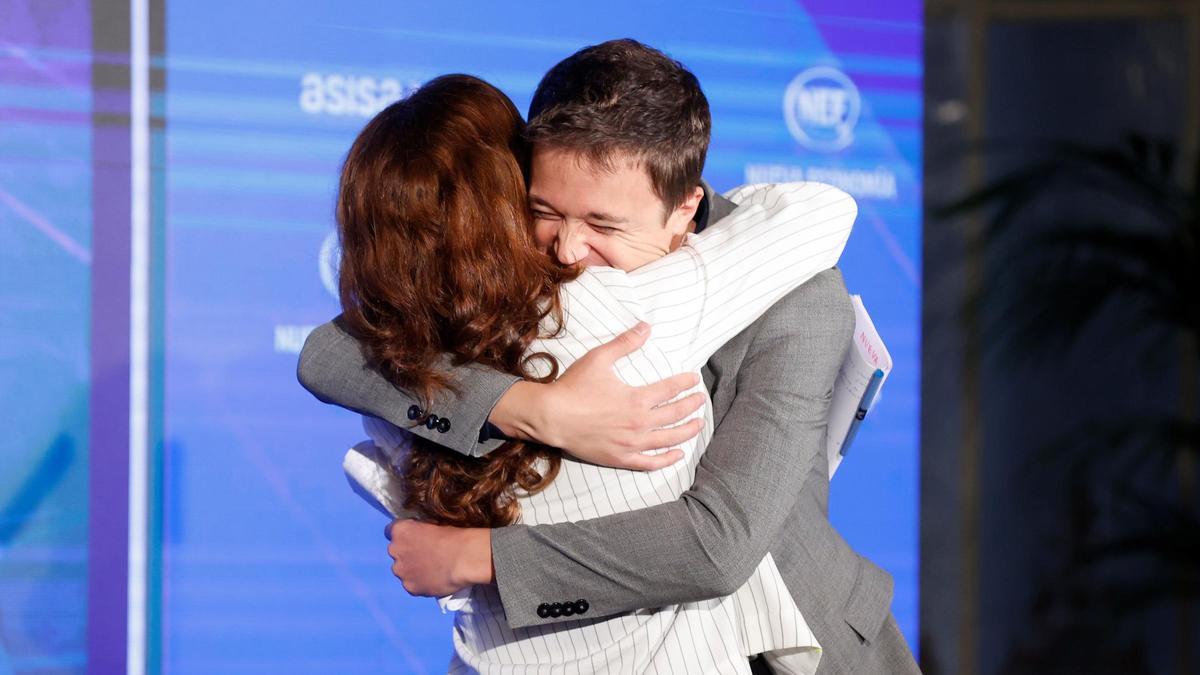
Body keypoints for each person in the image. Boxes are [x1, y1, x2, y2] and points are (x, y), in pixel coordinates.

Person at [299, 40, 920, 674]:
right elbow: (330, 352)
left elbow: (718, 544)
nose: (568, 249)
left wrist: (476, 557)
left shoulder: (798, 294)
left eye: (605, 225)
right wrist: (530, 408)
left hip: (793, 639)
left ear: (686, 207)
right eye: (544, 210)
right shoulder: (525, 259)